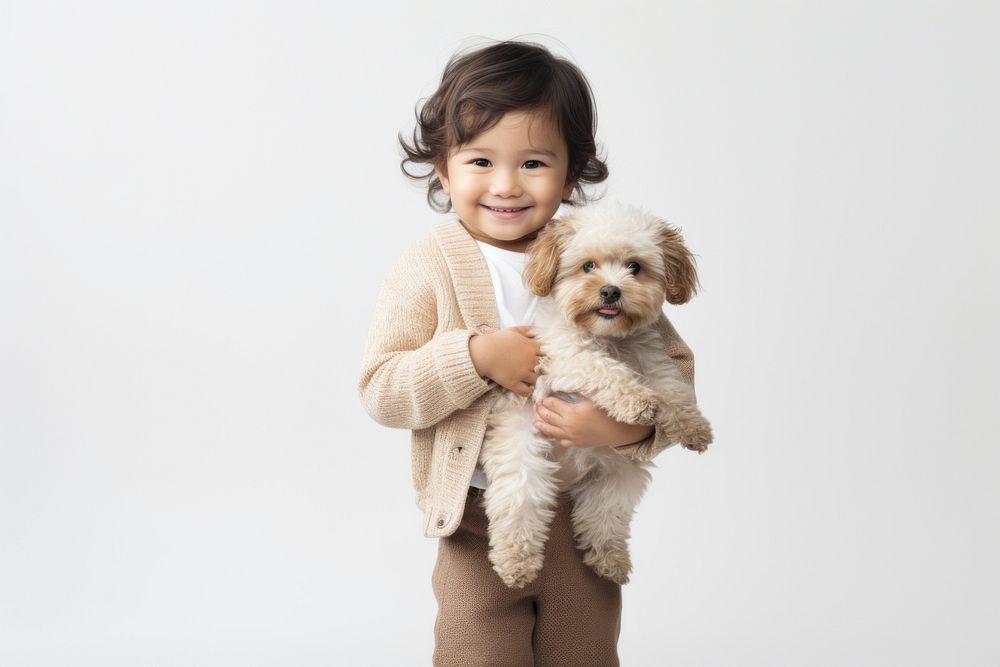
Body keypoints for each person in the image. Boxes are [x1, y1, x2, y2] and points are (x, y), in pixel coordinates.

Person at [357, 39, 698, 666]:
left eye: (535, 163)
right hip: (476, 524)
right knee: (476, 652)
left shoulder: (596, 256)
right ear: (443, 170)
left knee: (584, 654)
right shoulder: (429, 267)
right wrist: (476, 357)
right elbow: (381, 387)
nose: (507, 185)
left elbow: (672, 370)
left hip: (580, 517)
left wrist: (620, 428)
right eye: (481, 161)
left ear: (572, 173)